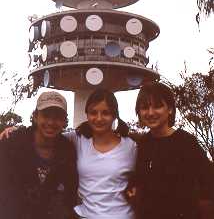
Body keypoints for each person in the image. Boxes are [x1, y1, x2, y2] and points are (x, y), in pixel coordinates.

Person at [0, 89, 137, 219]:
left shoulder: (130, 146)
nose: (99, 118)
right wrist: (14, 131)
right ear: (35, 116)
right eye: (93, 112)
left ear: (114, 115)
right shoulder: (76, 139)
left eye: (106, 113)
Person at [134, 81, 214, 219]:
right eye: (145, 107)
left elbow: (207, 185)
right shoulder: (142, 144)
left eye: (158, 106)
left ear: (170, 109)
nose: (151, 113)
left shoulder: (187, 143)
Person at [0, 91, 78, 219]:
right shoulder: (12, 143)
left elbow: (70, 194)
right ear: (36, 117)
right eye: (46, 115)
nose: (51, 122)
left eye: (58, 117)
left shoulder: (68, 150)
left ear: (64, 121)